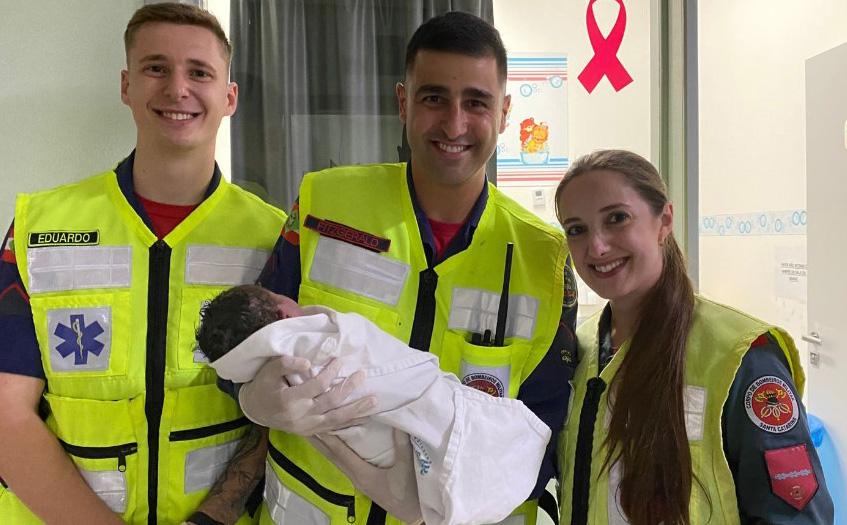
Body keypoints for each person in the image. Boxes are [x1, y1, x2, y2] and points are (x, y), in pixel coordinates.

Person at [225, 11, 578, 525]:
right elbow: (249, 333)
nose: (454, 124)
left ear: (504, 113)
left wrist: (452, 500)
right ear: (402, 103)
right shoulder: (324, 203)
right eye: (433, 98)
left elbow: (544, 429)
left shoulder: (544, 257)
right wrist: (252, 397)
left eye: (476, 103)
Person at [0, 4, 286, 524]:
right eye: (156, 68)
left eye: (199, 72)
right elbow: (6, 413)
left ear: (229, 97)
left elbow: (280, 415)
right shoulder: (37, 227)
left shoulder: (274, 238)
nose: (177, 88)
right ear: (126, 86)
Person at [554, 150, 835, 524]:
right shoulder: (580, 348)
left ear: (664, 221)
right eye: (577, 229)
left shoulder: (741, 354)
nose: (597, 247)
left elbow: (793, 515)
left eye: (617, 218)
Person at [197, 284, 551, 525]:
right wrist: (250, 400)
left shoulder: (536, 255)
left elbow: (552, 404)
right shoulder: (317, 208)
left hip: (449, 423)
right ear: (285, 316)